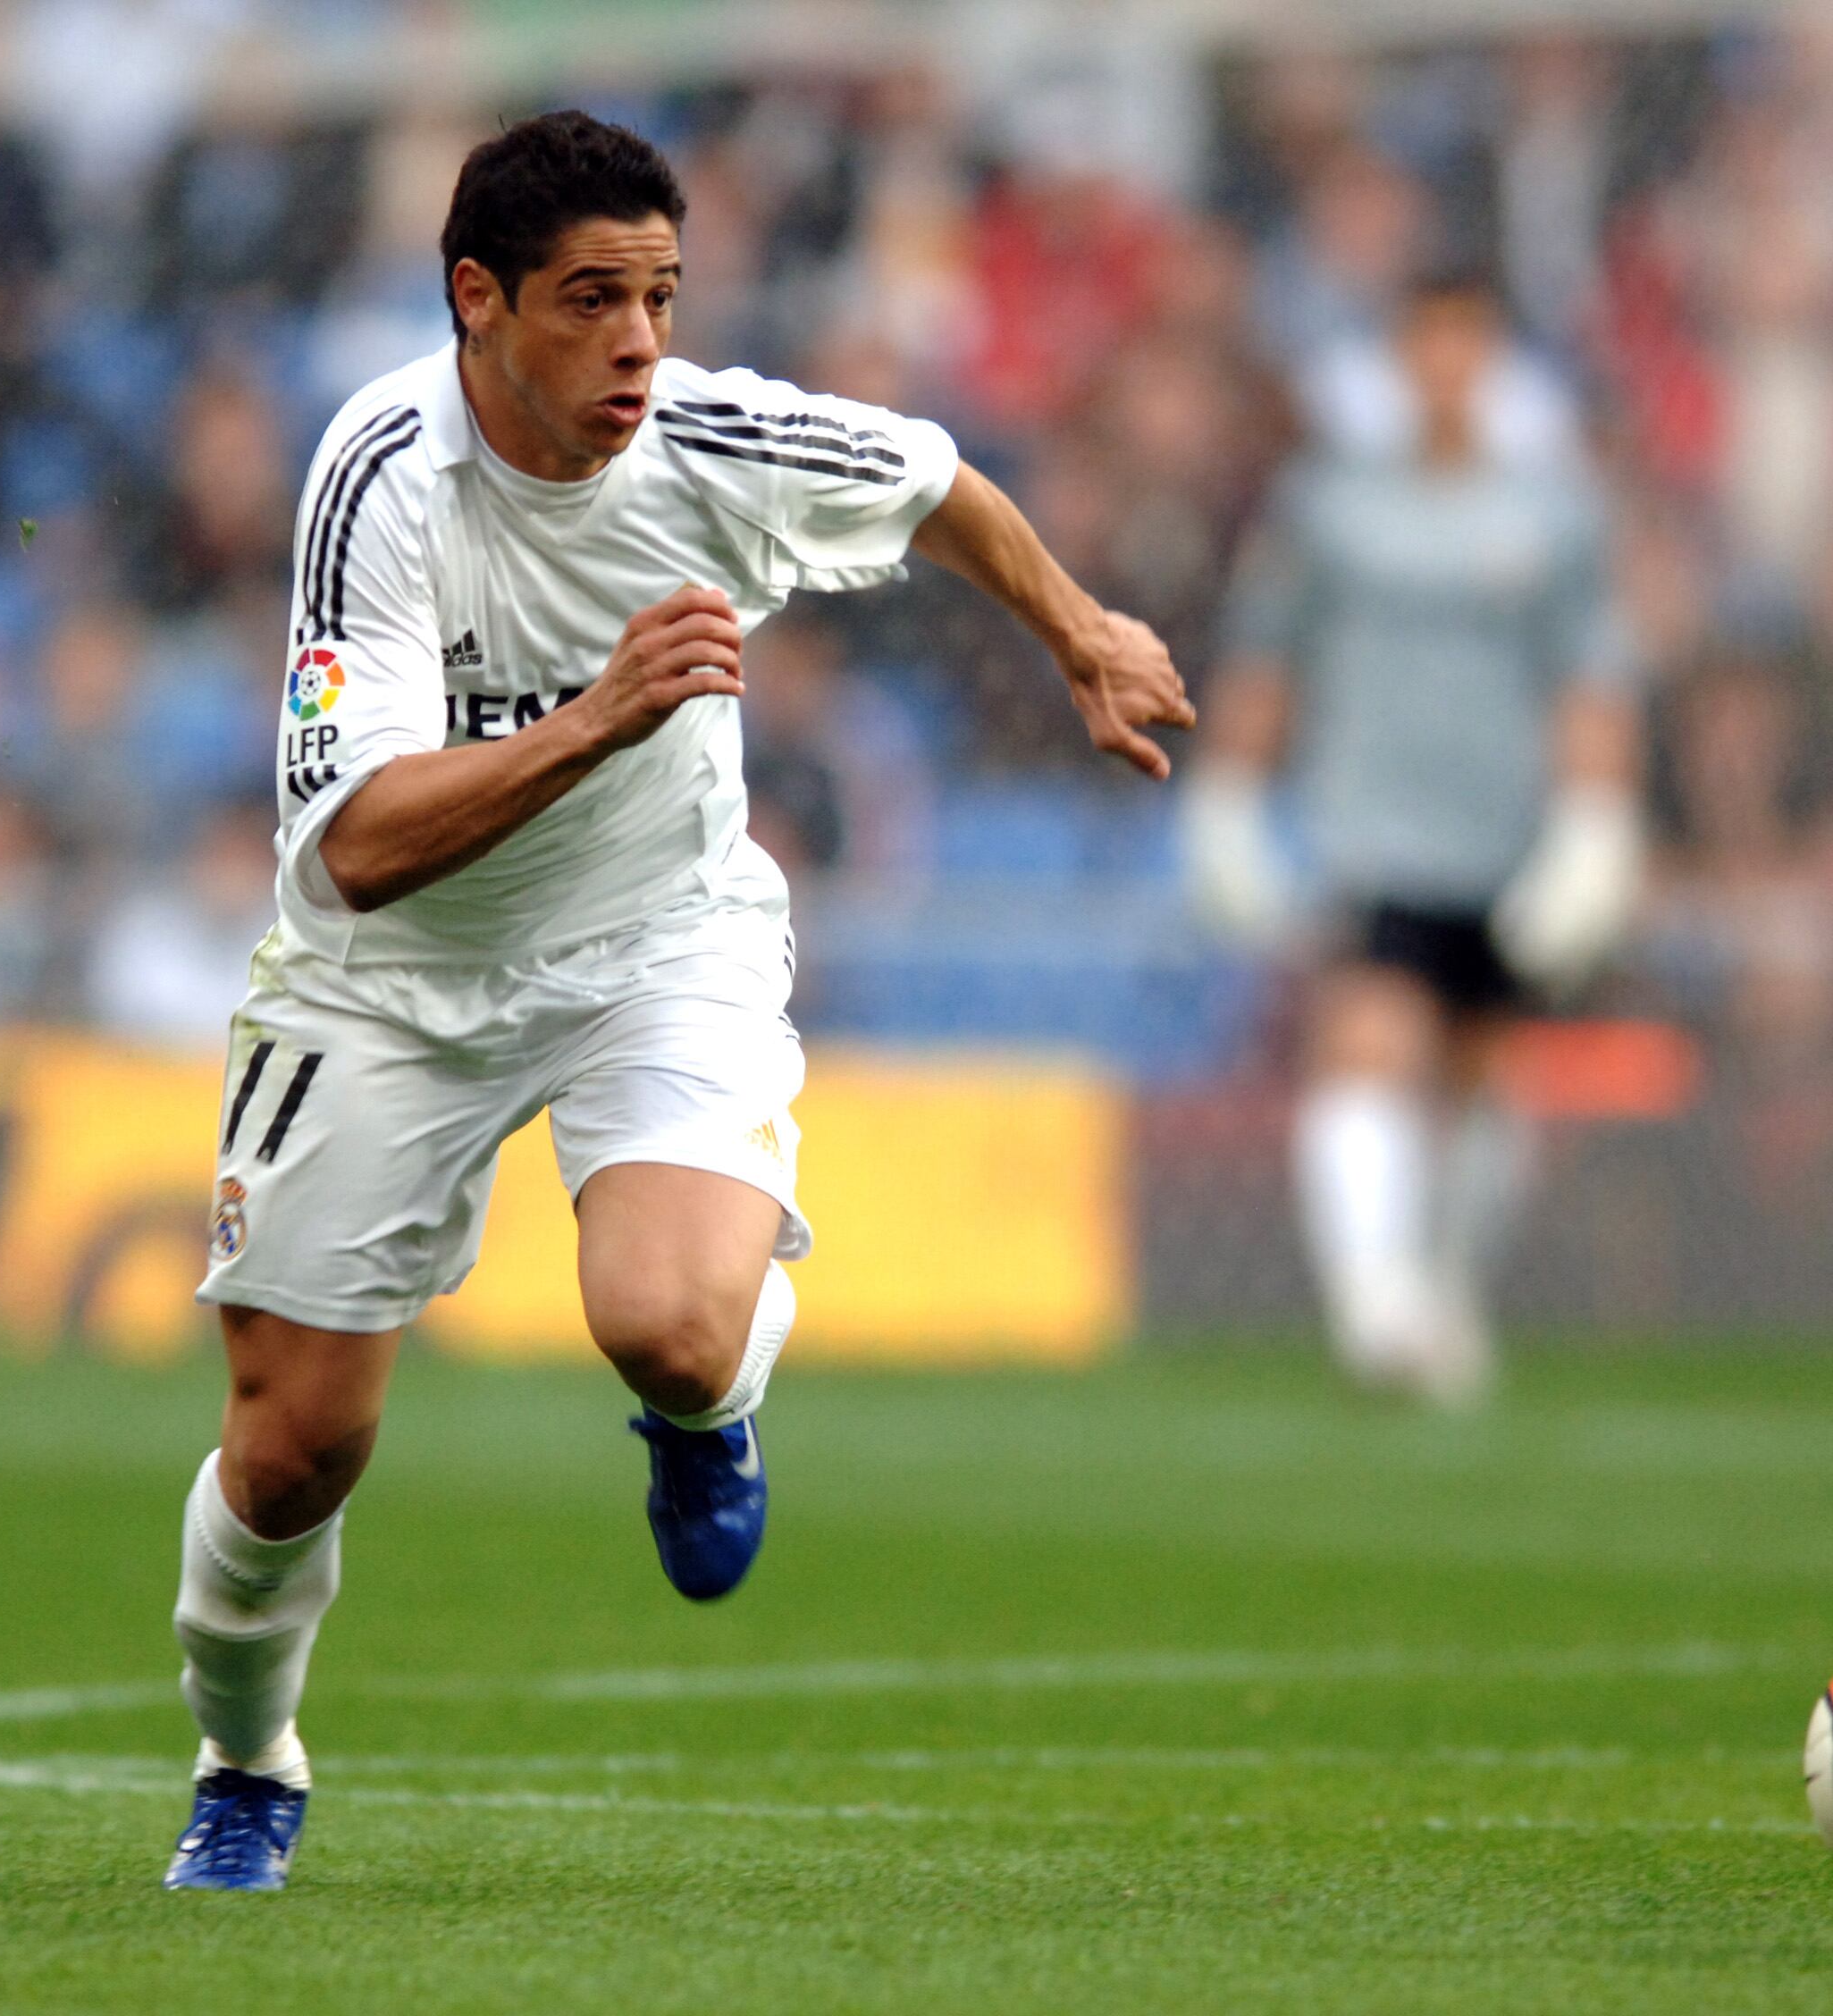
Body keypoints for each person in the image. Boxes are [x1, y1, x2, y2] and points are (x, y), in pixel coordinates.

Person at [160, 111, 1190, 1892]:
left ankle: (707, 1417)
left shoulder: (714, 440)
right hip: (390, 984)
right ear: (476, 301)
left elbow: (936, 482)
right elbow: (358, 856)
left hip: (657, 941)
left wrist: (1076, 627)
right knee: (294, 1446)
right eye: (589, 302)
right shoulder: (378, 477)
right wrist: (599, 716)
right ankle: (248, 1757)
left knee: (669, 1323)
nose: (637, 343)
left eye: (658, 296)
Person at [1184, 270, 1640, 1407]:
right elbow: (1267, 658)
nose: (1448, 366)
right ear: (1398, 357)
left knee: (1482, 1077)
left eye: (1469, 342)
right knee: (1369, 1041)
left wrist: (1595, 822)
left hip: (1504, 835)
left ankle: (1444, 1289)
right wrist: (1229, 801)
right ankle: (1375, 1304)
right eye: (1427, 342)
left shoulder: (1554, 511)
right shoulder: (1328, 505)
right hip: (1370, 829)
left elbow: (1588, 678)